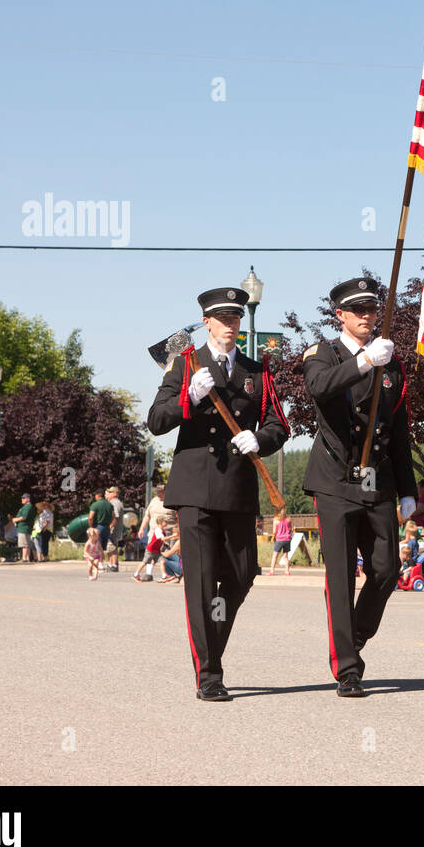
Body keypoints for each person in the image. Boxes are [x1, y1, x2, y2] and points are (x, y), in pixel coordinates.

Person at [147, 285, 289, 701]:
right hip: (194, 490)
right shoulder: (185, 366)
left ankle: (211, 644)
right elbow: (155, 420)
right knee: (203, 585)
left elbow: (280, 425)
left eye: (236, 318)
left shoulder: (256, 372)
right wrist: (187, 397)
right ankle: (209, 672)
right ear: (206, 322)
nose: (230, 325)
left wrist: (259, 440)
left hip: (238, 490)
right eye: (222, 318)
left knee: (243, 574)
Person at [301, 278, 417, 698]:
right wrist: (365, 361)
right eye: (359, 310)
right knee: (340, 576)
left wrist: (409, 488)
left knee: (387, 569)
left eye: (372, 309)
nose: (368, 316)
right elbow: (319, 387)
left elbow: (399, 430)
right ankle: (347, 667)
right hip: (335, 480)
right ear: (341, 316)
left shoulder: (393, 363)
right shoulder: (323, 354)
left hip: (377, 481)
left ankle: (355, 632)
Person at [137, 483, 174, 550]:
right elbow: (147, 516)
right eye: (158, 491)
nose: (159, 493)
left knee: (166, 557)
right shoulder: (154, 500)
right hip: (153, 534)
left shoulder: (172, 502)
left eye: (161, 491)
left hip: (167, 535)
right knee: (152, 555)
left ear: (166, 491)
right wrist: (141, 528)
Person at [88, 491, 114, 566]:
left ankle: (98, 563)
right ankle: (101, 563)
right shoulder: (110, 505)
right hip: (107, 527)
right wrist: (110, 525)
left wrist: (90, 527)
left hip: (98, 527)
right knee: (103, 547)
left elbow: (90, 517)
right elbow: (114, 517)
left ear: (98, 495)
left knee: (97, 546)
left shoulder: (95, 505)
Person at [268, 506, 293, 576]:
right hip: (287, 539)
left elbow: (274, 532)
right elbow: (291, 529)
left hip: (279, 539)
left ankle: (272, 571)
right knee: (285, 556)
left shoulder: (276, 520)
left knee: (275, 556)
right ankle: (287, 571)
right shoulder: (289, 519)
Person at [15, 493, 36, 563]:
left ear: (28, 499)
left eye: (24, 498)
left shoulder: (27, 507)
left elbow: (24, 517)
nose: (22, 499)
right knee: (27, 543)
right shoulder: (27, 506)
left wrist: (15, 519)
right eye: (22, 498)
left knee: (24, 544)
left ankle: (24, 558)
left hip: (23, 527)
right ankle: (27, 558)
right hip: (26, 527)